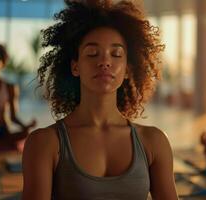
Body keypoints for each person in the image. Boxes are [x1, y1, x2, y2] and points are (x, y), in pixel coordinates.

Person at [22, 0, 178, 199]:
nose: (104, 62)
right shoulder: (45, 143)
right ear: (75, 67)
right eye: (92, 53)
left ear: (128, 70)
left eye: (116, 54)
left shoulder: (154, 142)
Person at [0, 44, 36, 149]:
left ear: (2, 62)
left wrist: (25, 126)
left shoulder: (10, 87)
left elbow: (13, 117)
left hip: (3, 130)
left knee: (25, 134)